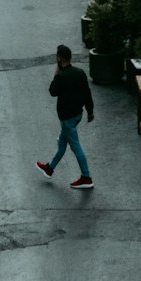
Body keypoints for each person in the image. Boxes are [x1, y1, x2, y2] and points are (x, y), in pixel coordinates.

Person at [37, 44, 94, 189]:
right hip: (77, 115)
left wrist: (56, 73)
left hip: (67, 119)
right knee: (62, 143)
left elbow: (52, 91)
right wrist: (90, 111)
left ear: (59, 58)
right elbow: (87, 94)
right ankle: (49, 168)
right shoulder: (80, 73)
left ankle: (86, 177)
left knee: (75, 146)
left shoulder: (61, 76)